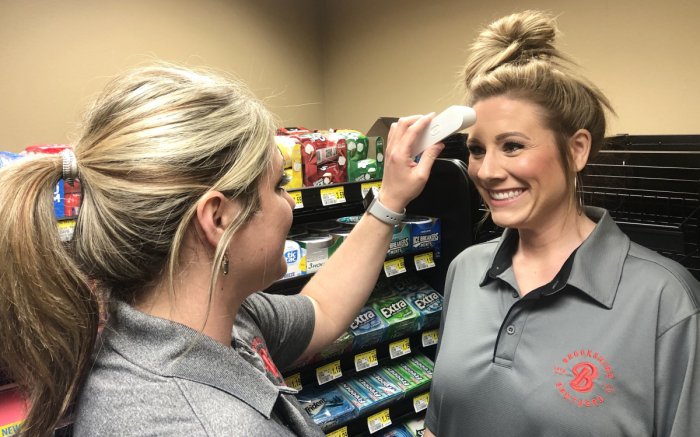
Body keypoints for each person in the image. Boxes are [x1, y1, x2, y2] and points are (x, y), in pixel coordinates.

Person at [0, 65, 444, 437]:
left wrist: (388, 201)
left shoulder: (199, 319)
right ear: (217, 218)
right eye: (278, 186)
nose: (289, 204)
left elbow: (322, 309)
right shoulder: (206, 425)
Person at [425, 11, 700, 437]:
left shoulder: (666, 300)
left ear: (576, 150)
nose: (487, 171)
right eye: (477, 150)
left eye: (512, 146)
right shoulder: (466, 270)